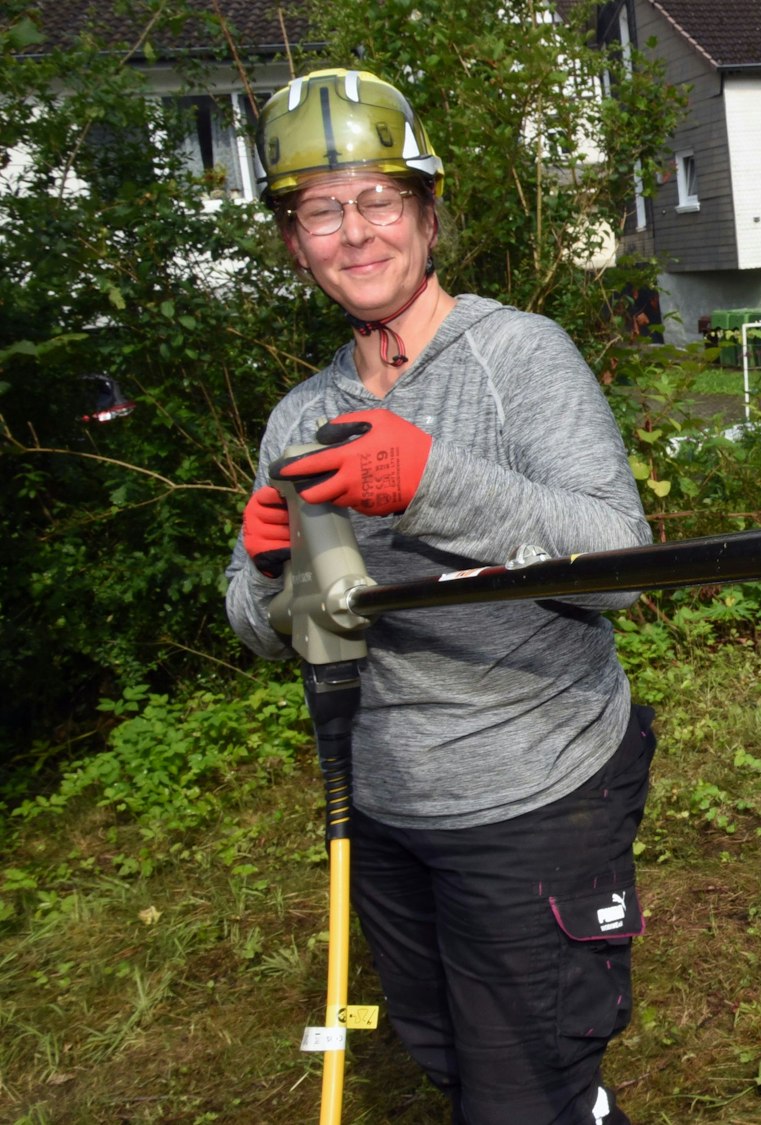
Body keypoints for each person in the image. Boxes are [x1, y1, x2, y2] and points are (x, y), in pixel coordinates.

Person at [223, 68, 653, 1125]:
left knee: (528, 1091)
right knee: (452, 1062)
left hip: (535, 792)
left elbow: (623, 568)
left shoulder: (518, 357)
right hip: (384, 806)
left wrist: (428, 484)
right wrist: (267, 573)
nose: (355, 233)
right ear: (293, 241)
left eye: (378, 199)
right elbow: (264, 628)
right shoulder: (299, 416)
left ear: (425, 212)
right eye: (321, 209)